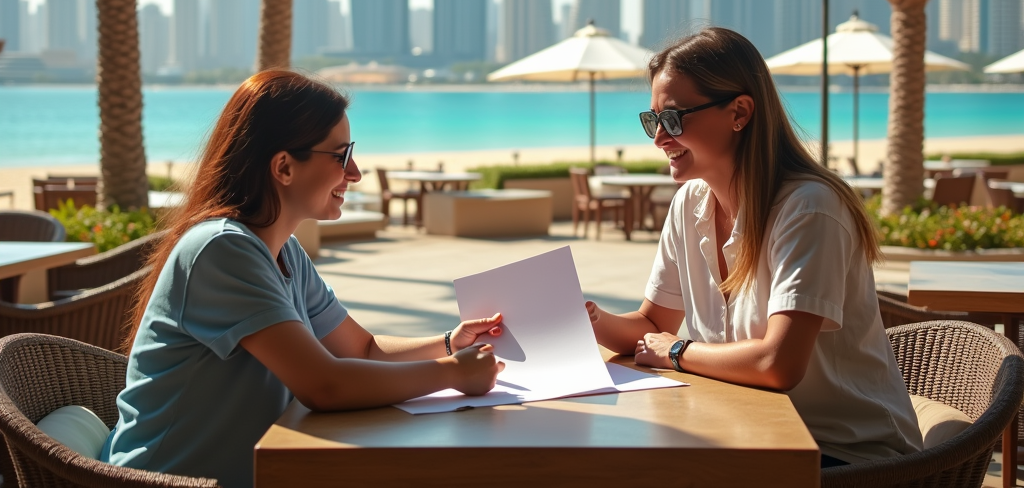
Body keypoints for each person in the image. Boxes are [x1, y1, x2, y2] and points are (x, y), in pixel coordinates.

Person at [103, 70, 504, 488]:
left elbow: (362, 349)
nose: (356, 173)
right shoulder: (221, 250)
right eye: (341, 155)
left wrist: (448, 343)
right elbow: (325, 386)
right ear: (284, 167)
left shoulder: (282, 251)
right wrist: (452, 373)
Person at [585, 27, 922, 467]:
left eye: (672, 119)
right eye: (652, 121)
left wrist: (675, 351)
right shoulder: (691, 202)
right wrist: (585, 317)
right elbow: (651, 322)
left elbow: (777, 363)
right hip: (745, 434)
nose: (658, 139)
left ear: (739, 112)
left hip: (844, 456)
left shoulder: (810, 209)